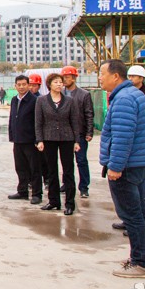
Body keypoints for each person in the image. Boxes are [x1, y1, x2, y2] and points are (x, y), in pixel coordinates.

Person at [99, 59, 145, 278]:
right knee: (140, 214)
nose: (100, 78)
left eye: (103, 74)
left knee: (131, 216)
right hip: (137, 164)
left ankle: (141, 263)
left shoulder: (123, 99)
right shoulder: (134, 95)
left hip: (127, 167)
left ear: (115, 76)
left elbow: (123, 137)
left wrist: (115, 166)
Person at [35, 73, 80, 215]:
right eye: (55, 82)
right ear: (49, 85)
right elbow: (38, 122)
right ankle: (53, 201)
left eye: (60, 82)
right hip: (49, 138)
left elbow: (75, 121)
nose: (59, 84)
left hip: (67, 138)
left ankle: (70, 203)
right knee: (51, 170)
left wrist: (77, 141)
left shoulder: (69, 101)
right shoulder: (41, 101)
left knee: (68, 171)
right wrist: (39, 140)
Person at [8, 75, 41, 203]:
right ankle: (22, 191)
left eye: (24, 84)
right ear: (15, 86)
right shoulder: (14, 100)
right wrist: (12, 135)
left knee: (34, 168)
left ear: (28, 85)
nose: (21, 87)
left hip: (30, 140)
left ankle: (37, 194)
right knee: (20, 167)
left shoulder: (34, 100)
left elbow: (38, 121)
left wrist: (38, 139)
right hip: (18, 139)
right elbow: (12, 118)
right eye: (19, 85)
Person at [62, 66, 94, 199]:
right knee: (66, 161)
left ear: (74, 78)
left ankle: (84, 186)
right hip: (64, 133)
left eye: (67, 77)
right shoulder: (60, 94)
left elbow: (89, 113)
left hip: (79, 133)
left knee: (81, 160)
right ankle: (66, 183)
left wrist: (89, 132)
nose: (64, 80)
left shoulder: (84, 94)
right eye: (63, 78)